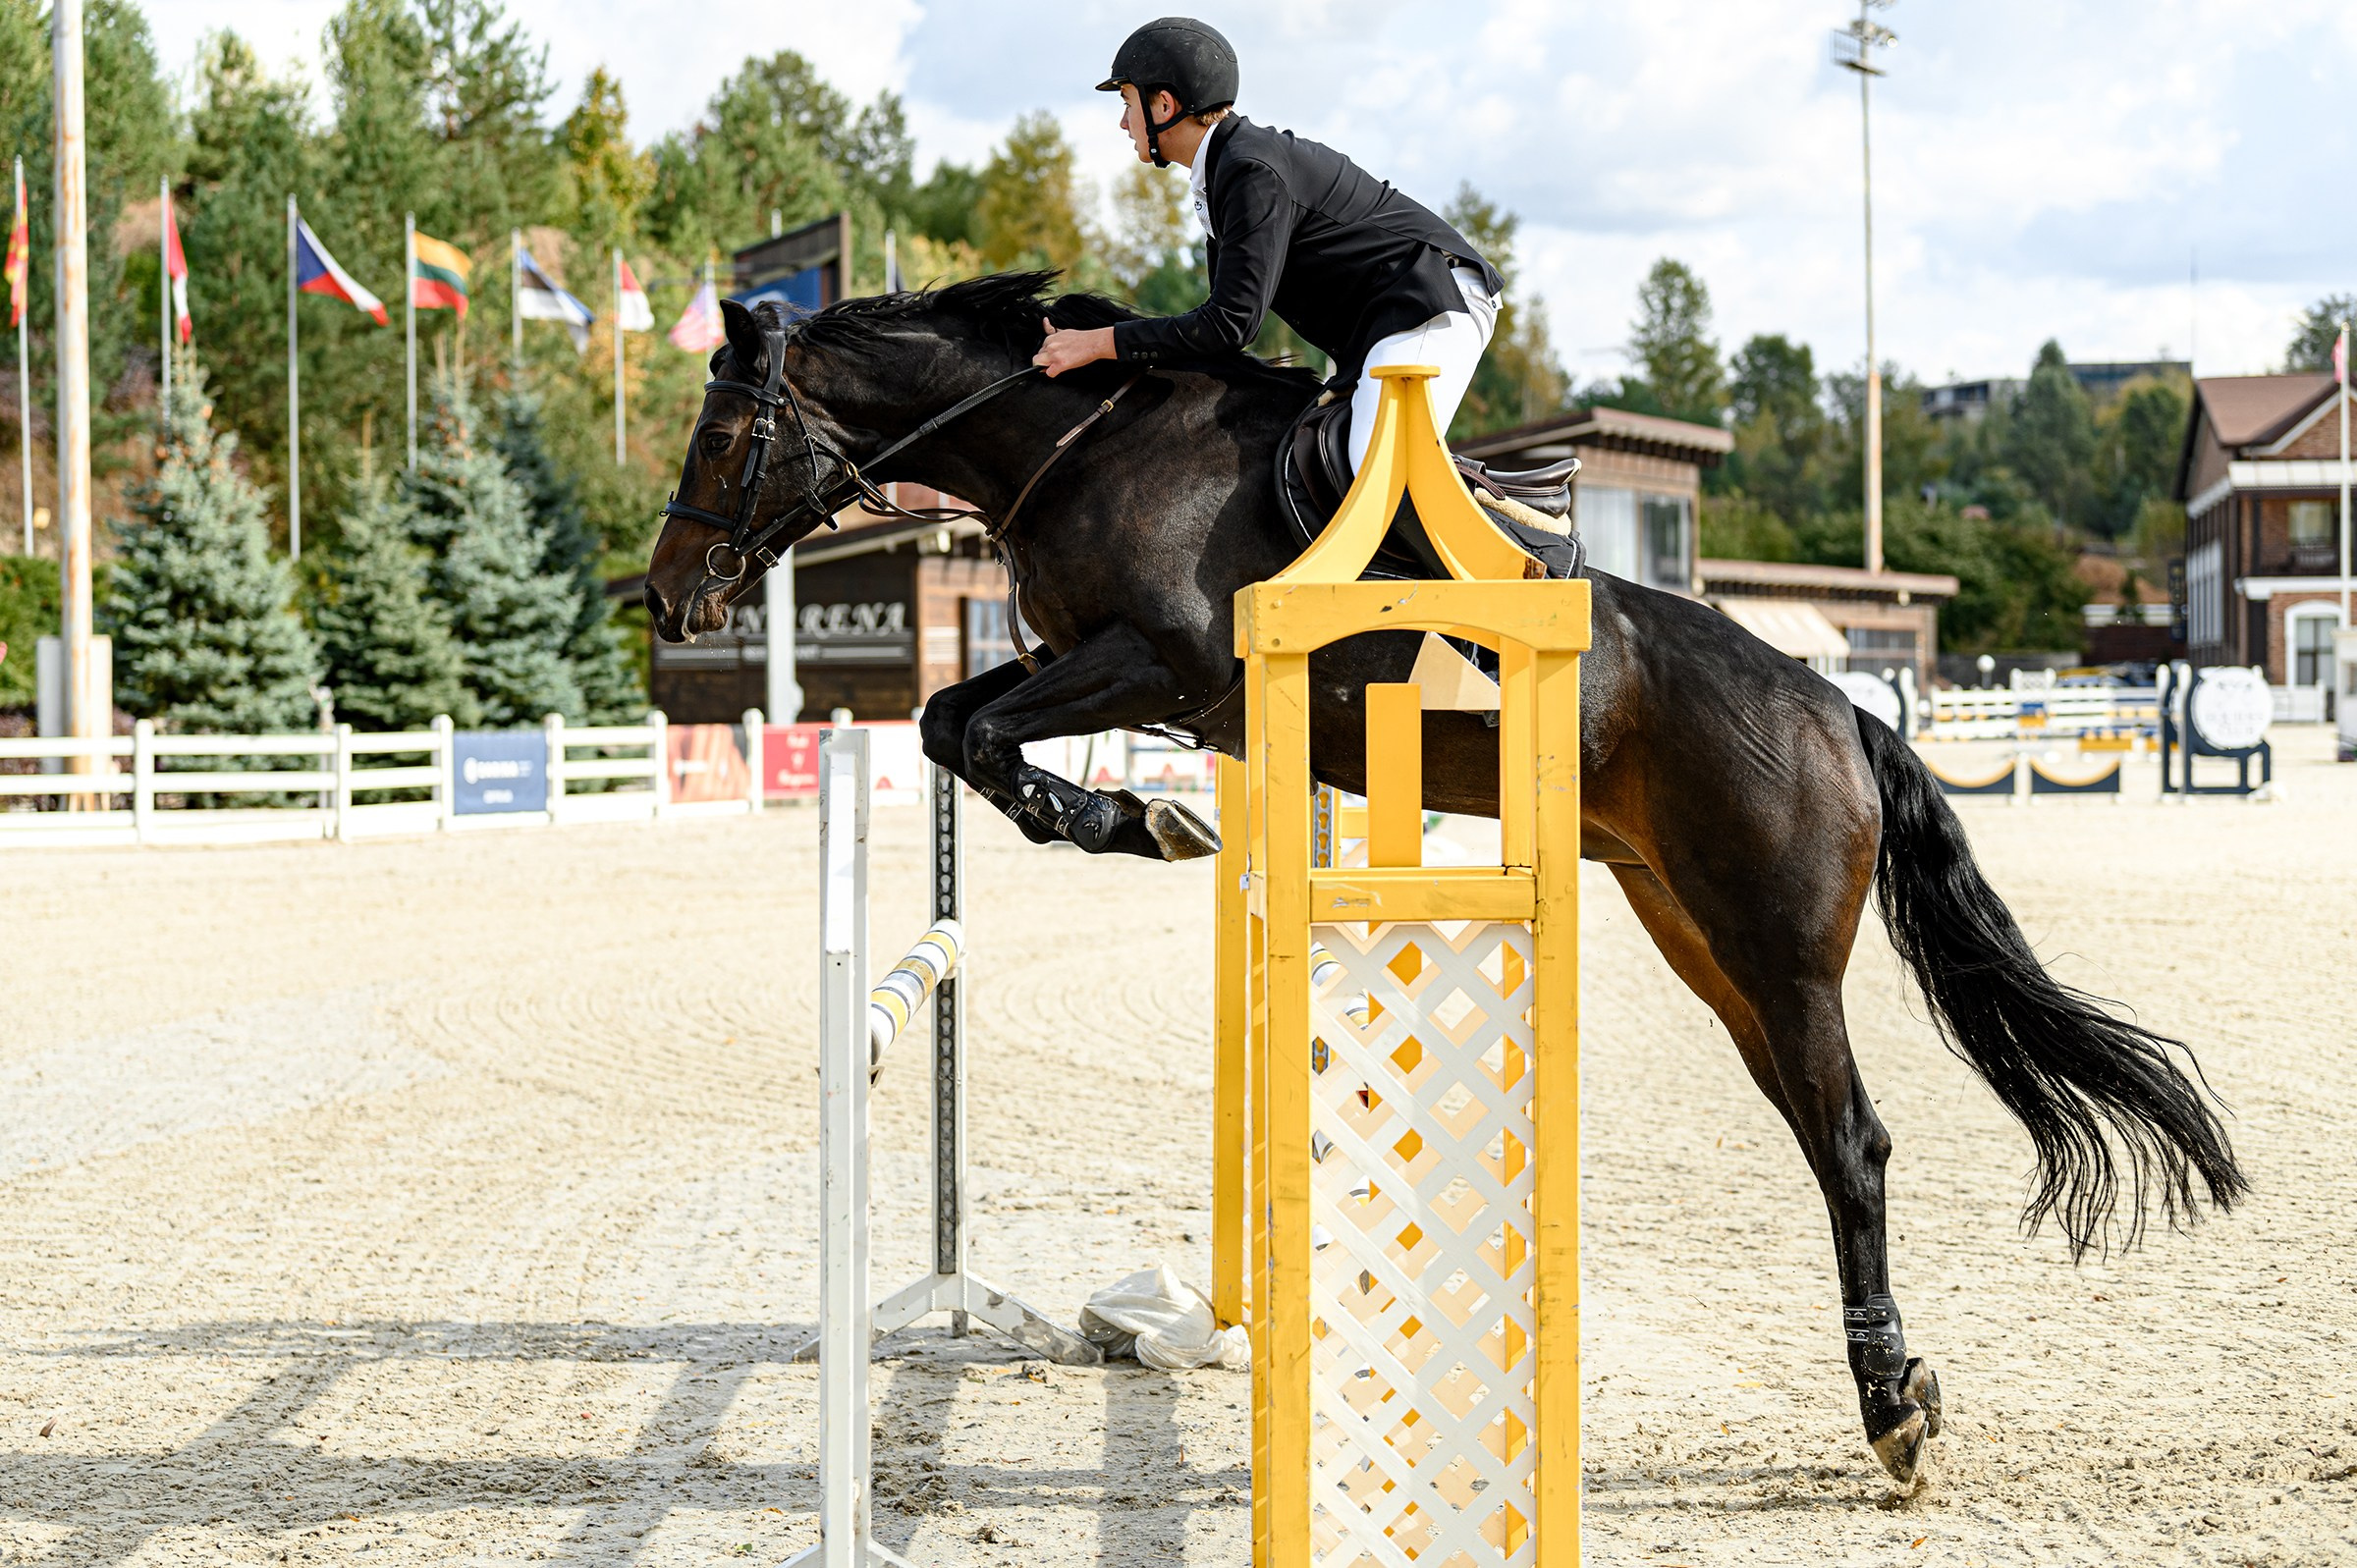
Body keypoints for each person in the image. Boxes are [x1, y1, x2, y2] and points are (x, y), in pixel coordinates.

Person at [1034, 16, 1505, 479]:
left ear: (1163, 105)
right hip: (1392, 318)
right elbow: (1217, 324)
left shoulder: (1249, 171)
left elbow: (1230, 325)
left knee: (1372, 470)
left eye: (1127, 103)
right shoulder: (1224, 170)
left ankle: (1520, 550)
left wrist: (1098, 343)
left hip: (1432, 300)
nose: (1122, 122)